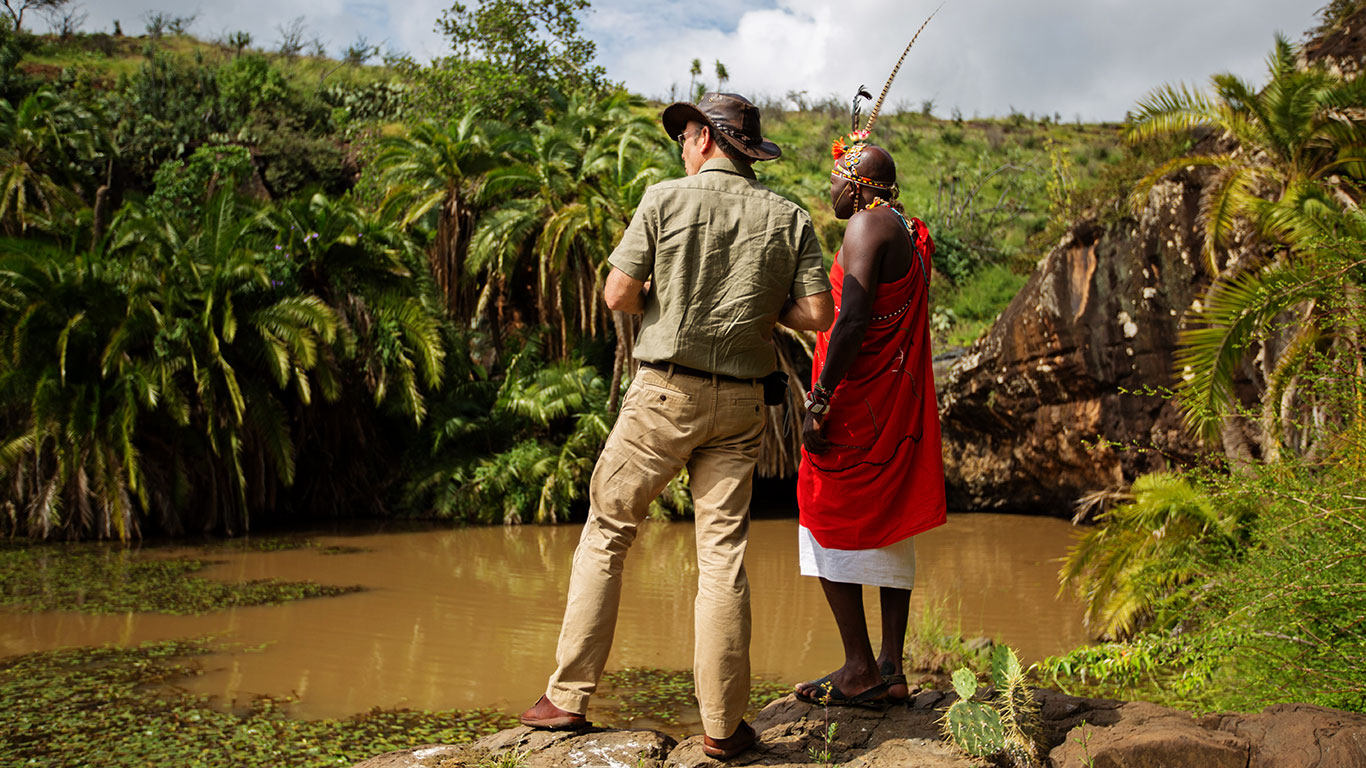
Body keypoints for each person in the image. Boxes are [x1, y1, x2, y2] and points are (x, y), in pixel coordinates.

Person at [519, 92, 834, 760]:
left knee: (608, 533)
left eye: (686, 134)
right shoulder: (788, 216)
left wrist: (677, 298)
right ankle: (723, 727)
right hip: (743, 404)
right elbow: (816, 314)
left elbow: (617, 294)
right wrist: (754, 307)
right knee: (722, 557)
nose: (681, 144)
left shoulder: (666, 199)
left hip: (663, 394)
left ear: (705, 139)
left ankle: (567, 699)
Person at [792, 136, 947, 707]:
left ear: (857, 186)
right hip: (891, 402)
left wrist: (821, 398)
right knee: (890, 521)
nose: (829, 188)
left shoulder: (863, 229)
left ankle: (859, 670)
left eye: (835, 179)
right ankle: (891, 665)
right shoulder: (905, 229)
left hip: (858, 402)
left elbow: (854, 318)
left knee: (822, 510)